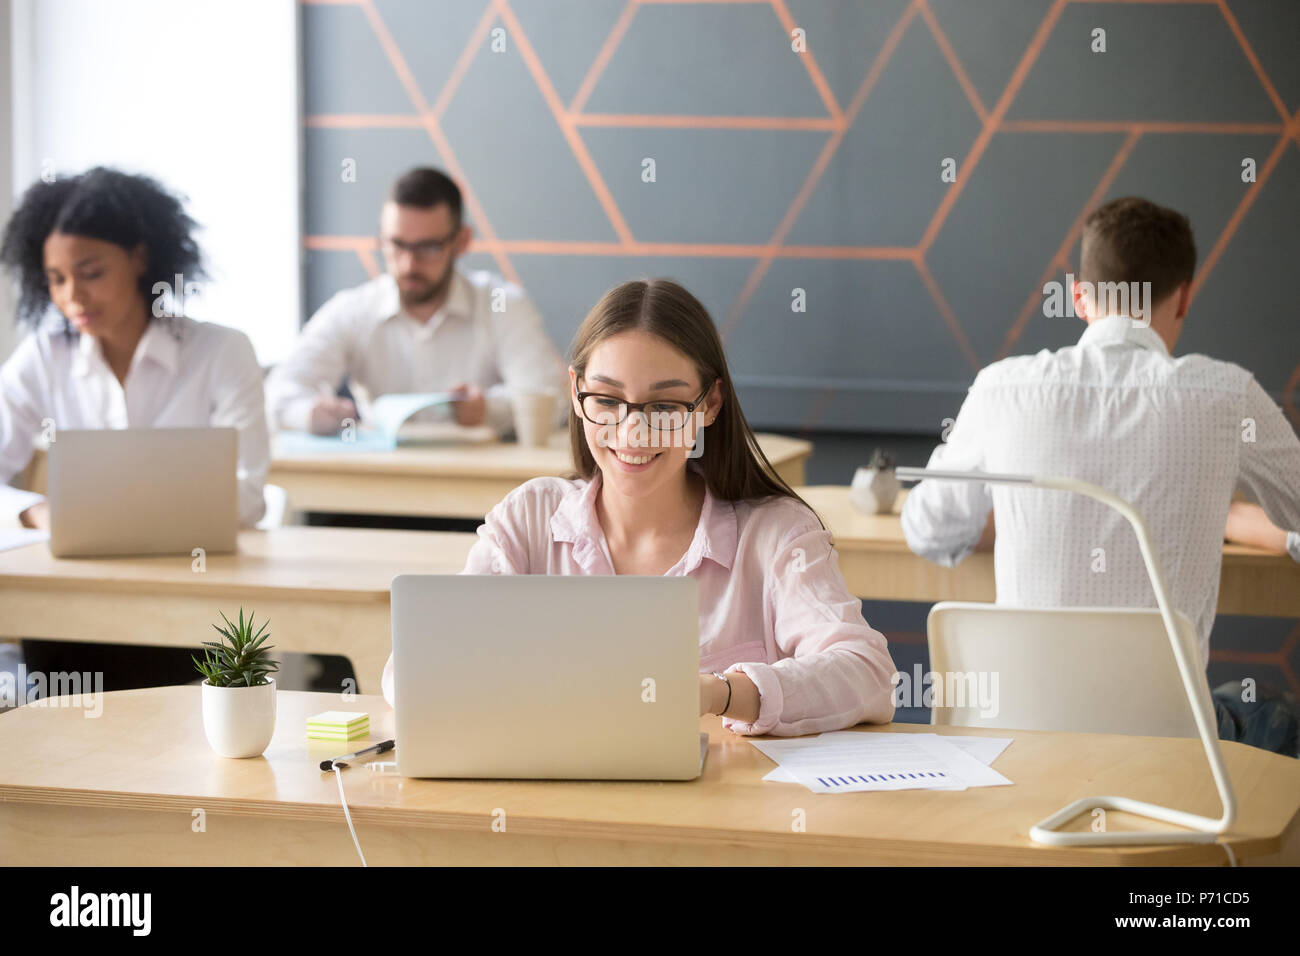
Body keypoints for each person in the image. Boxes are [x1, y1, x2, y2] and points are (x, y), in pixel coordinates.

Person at [381, 278, 897, 736]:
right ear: (576, 390)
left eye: (665, 406)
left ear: (709, 405)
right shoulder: (529, 520)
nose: (633, 431)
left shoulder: (776, 533)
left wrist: (719, 693)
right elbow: (410, 670)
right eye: (606, 400)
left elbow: (867, 673)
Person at [901, 196, 1300, 754]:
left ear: (1080, 297)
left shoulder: (1004, 388)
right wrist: (1243, 522)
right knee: (1272, 712)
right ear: (1184, 296)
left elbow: (927, 529)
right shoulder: (1228, 397)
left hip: (1016, 743)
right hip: (1173, 753)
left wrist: (1017, 515)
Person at [0, 166, 270, 689]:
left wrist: (121, 515)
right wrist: (35, 511)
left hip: (195, 605)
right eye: (56, 279)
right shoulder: (40, 358)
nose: (73, 296)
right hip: (71, 610)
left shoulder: (220, 352)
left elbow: (249, 497)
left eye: (91, 271)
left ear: (140, 258)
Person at [264, 166, 567, 437]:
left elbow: (551, 398)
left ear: (461, 241)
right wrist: (310, 414)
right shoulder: (353, 310)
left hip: (483, 490)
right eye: (396, 245)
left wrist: (488, 410)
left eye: (428, 248)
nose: (409, 264)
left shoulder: (503, 304)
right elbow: (276, 393)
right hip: (376, 486)